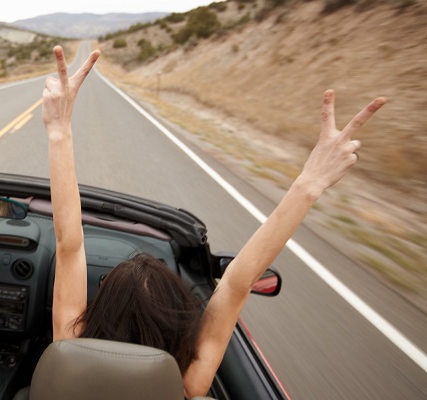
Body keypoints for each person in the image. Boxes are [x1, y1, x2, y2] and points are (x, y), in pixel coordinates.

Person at [42, 46, 386, 398]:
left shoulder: (67, 350)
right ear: (179, 331)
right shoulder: (190, 383)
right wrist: (310, 183)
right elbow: (237, 281)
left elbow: (69, 245)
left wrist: (59, 129)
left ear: (98, 313)